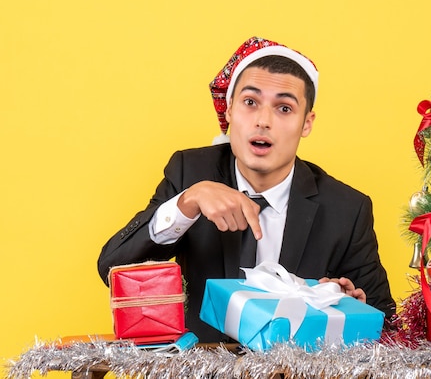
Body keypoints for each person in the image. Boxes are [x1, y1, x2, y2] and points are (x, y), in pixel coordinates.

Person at [97, 36, 395, 343]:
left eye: (284, 108)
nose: (263, 121)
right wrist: (187, 202)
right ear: (228, 111)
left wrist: (350, 311)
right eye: (250, 102)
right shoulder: (190, 172)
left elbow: (388, 327)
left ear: (307, 123)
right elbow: (112, 268)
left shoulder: (346, 208)